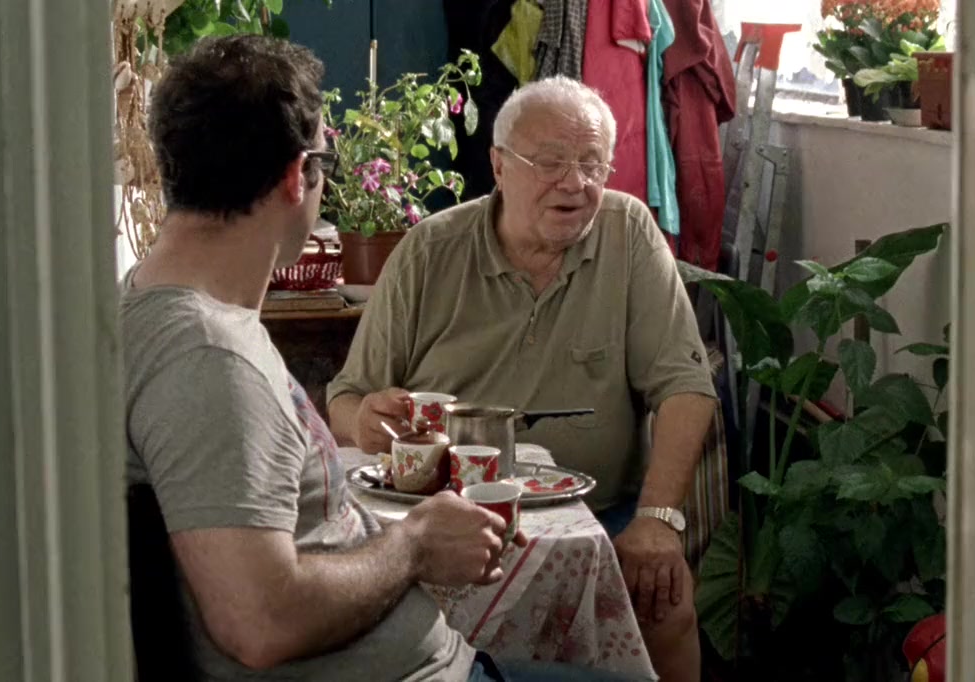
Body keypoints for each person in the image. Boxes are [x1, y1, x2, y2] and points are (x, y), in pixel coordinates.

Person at [123, 35, 625, 682]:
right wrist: (415, 544)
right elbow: (258, 622)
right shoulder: (211, 360)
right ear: (297, 175)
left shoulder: (149, 307)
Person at [326, 76, 718, 681]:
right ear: (499, 166)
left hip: (598, 516)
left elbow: (685, 385)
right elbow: (347, 399)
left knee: (666, 602)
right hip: (443, 522)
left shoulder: (628, 232)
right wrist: (366, 420)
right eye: (551, 162)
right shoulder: (430, 250)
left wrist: (658, 519)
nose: (575, 183)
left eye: (592, 164)